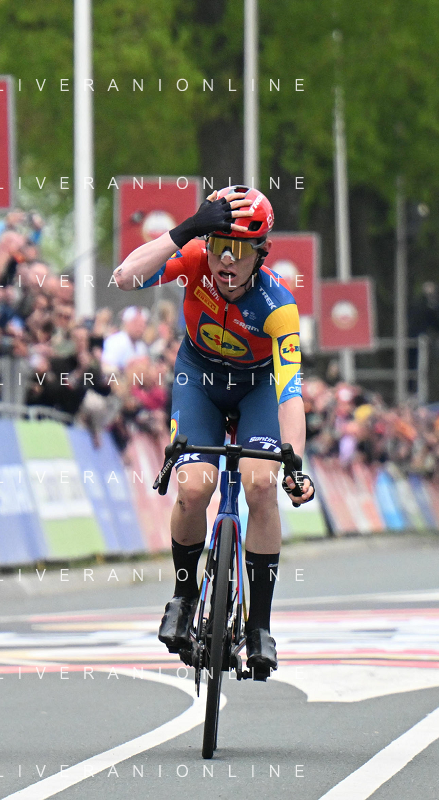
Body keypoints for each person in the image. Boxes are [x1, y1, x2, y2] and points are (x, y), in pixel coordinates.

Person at [112, 185, 315, 675]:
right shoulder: (195, 258)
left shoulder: (279, 306)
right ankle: (183, 597)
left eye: (241, 251)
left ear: (262, 253)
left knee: (261, 484)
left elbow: (290, 393)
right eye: (221, 245)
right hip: (198, 379)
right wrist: (186, 231)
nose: (227, 261)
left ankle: (260, 625)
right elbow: (124, 277)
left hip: (257, 389)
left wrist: (293, 463)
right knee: (193, 488)